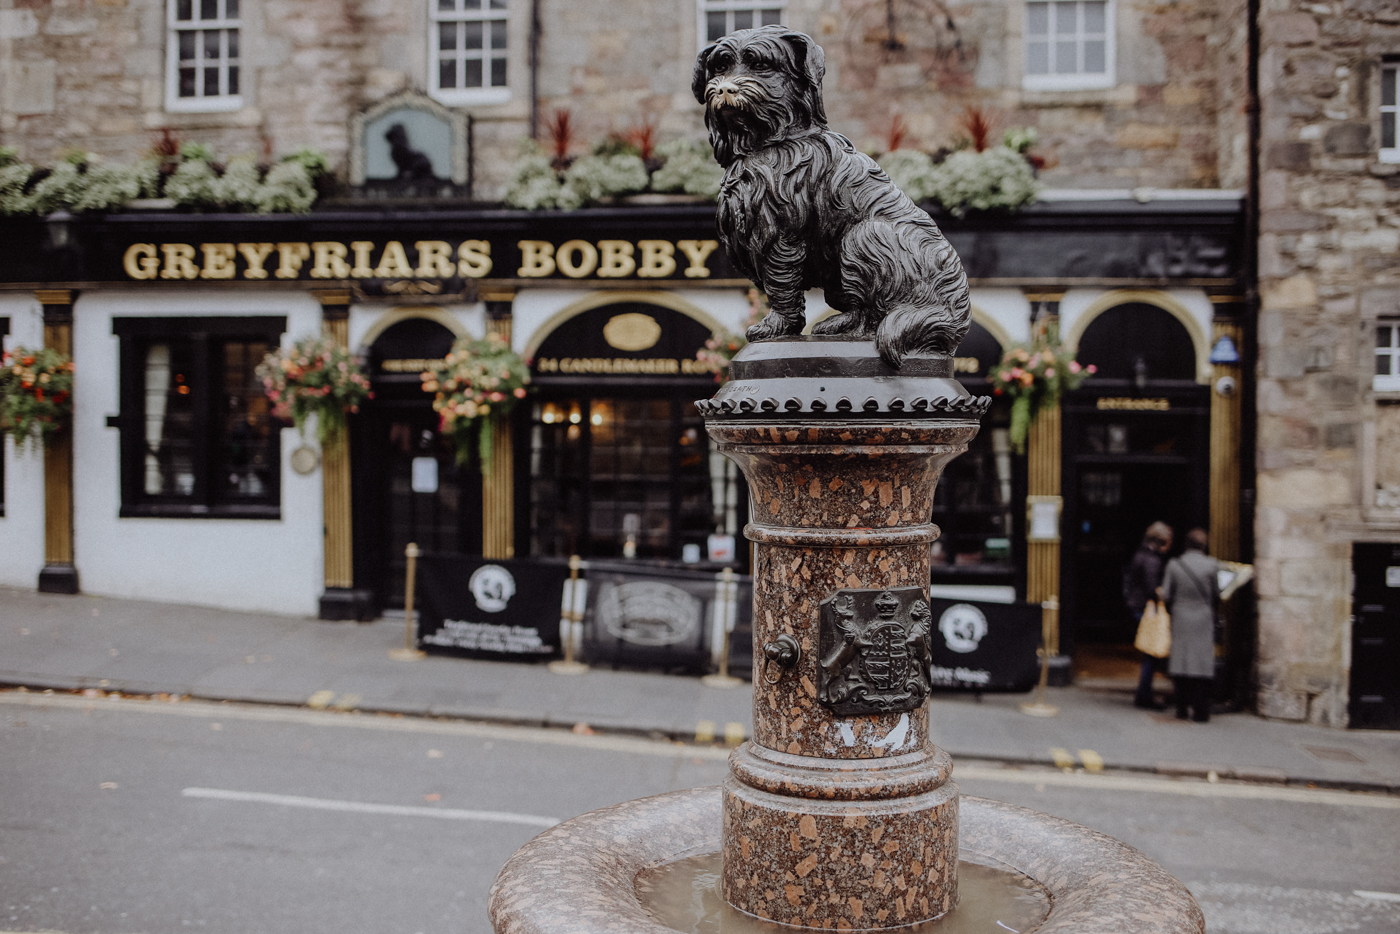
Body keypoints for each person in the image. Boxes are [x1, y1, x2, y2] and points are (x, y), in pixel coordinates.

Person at [1161, 528, 1220, 722]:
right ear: (1204, 545)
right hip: (1203, 616)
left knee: (1181, 661)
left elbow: (1167, 594)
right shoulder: (1212, 565)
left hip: (1181, 615)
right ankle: (1201, 710)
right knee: (1201, 664)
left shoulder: (1175, 565)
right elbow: (1216, 594)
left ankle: (1181, 708)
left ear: (1186, 544)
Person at [1123, 521, 1173, 709]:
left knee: (1149, 654)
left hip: (1137, 604)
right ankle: (1144, 696)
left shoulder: (1141, 554)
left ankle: (1145, 693)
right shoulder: (1151, 559)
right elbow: (1152, 589)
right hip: (1145, 607)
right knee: (1151, 654)